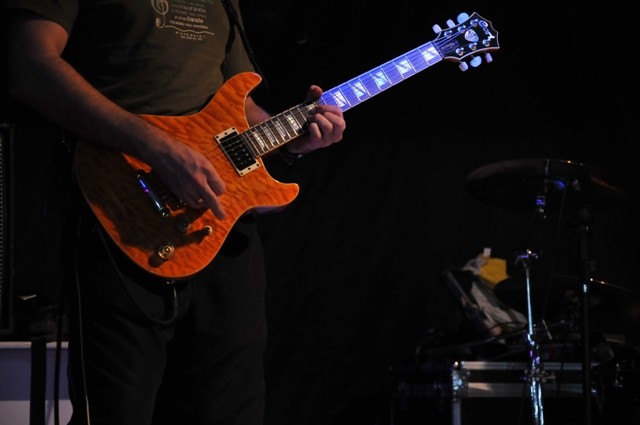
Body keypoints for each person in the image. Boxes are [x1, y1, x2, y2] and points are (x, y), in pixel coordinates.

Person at [1, 1, 346, 424]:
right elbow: (30, 64)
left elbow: (236, 103)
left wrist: (291, 134)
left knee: (230, 409)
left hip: (222, 225)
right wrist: (156, 147)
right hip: (121, 211)